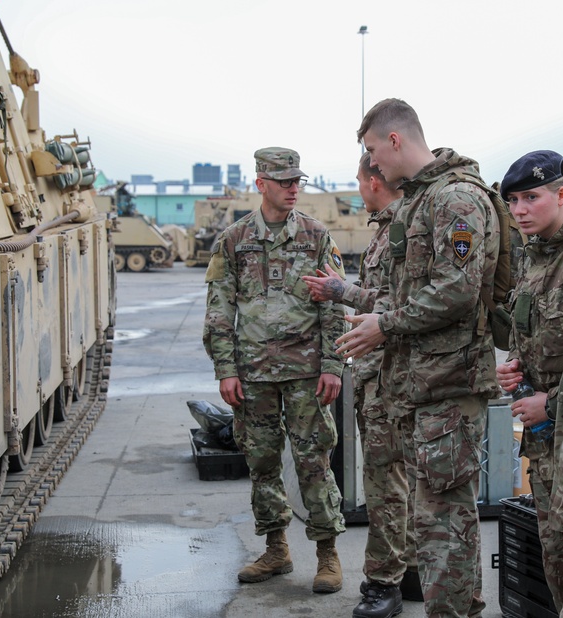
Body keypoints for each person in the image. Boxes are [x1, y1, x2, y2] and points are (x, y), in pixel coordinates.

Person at [335, 97, 502, 618]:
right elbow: (403, 288)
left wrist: (383, 325)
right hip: (420, 387)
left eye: (371, 151)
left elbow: (458, 290)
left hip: (447, 389)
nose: (372, 165)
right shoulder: (420, 200)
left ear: (394, 140)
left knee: (444, 527)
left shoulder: (455, 199)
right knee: (434, 523)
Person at [202, 147, 348, 594]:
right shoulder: (233, 239)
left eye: (296, 180)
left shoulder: (316, 236)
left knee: (314, 462)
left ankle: (327, 554)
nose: (293, 188)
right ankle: (276, 549)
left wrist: (333, 365)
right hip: (254, 374)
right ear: (261, 182)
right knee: (261, 461)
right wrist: (226, 368)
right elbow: (219, 309)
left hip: (306, 374)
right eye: (283, 180)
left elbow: (334, 304)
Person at [303, 151, 418, 618]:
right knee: (397, 481)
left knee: (386, 484)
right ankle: (408, 572)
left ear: (375, 181)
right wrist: (346, 293)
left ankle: (382, 583)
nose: (357, 188)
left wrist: (343, 292)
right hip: (382, 376)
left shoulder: (400, 229)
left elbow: (400, 302)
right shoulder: (388, 228)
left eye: (359, 180)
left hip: (390, 379)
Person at [494, 150, 563, 611]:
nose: (520, 210)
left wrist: (552, 403)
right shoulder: (531, 256)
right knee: (557, 560)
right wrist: (515, 367)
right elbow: (534, 330)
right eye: (513, 201)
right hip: (544, 447)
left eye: (531, 198)